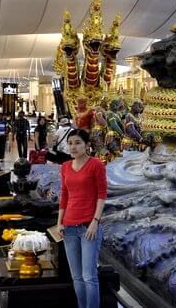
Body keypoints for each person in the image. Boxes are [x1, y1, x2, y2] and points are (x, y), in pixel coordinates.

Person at [57, 129, 107, 308]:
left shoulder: (96, 165)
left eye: (78, 142)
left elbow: (102, 195)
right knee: (76, 277)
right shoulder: (65, 167)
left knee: (89, 276)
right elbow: (64, 196)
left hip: (88, 227)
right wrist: (59, 222)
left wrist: (95, 221)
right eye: (70, 143)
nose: (73, 146)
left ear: (87, 145)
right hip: (69, 228)